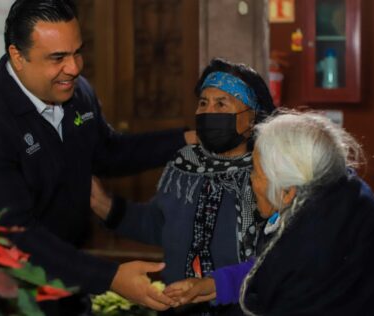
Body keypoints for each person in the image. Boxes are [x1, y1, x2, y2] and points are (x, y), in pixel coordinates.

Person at [0, 0, 196, 314]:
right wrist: (111, 276)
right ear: (17, 56)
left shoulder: (77, 93)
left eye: (77, 51)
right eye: (57, 58)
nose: (74, 67)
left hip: (69, 281)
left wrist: (185, 140)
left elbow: (108, 153)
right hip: (6, 296)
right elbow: (14, 234)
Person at [164, 112, 374, 315]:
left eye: (256, 172)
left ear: (287, 191)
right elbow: (275, 268)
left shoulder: (314, 244)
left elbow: (288, 273)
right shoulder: (337, 193)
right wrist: (215, 285)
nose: (250, 181)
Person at [90, 58, 276, 315]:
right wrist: (104, 205)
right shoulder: (183, 166)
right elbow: (159, 225)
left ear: (252, 117)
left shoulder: (269, 174)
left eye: (221, 103)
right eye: (203, 103)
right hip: (179, 307)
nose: (209, 111)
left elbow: (282, 258)